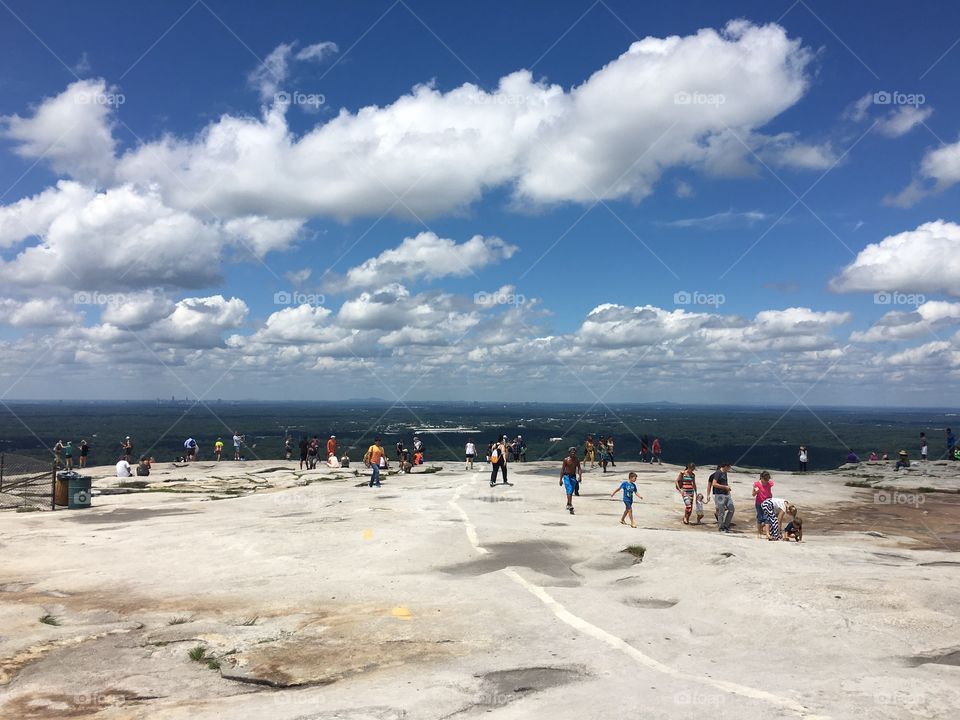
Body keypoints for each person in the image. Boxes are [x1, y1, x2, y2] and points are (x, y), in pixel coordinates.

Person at [707, 463, 734, 532]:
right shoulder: (717, 473)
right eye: (728, 468)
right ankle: (721, 527)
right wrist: (708, 495)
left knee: (731, 509)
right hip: (719, 495)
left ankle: (726, 525)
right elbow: (713, 484)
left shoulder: (725, 473)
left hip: (726, 494)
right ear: (725, 467)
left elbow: (725, 483)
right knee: (721, 511)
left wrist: (728, 490)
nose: (729, 470)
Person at [559, 447, 582, 515]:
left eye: (574, 452)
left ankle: (568, 503)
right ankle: (570, 505)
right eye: (572, 452)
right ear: (569, 452)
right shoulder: (566, 460)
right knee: (569, 489)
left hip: (573, 477)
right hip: (566, 476)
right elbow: (562, 470)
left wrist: (580, 476)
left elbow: (579, 469)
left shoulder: (577, 460)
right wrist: (560, 479)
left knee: (571, 491)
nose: (573, 453)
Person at [752, 471, 775, 538]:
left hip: (767, 503)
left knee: (767, 518)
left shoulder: (769, 483)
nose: (766, 481)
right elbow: (753, 494)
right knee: (760, 517)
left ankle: (767, 533)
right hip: (759, 503)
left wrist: (771, 499)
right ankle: (759, 532)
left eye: (767, 479)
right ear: (761, 478)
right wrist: (756, 492)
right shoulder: (757, 484)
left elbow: (769, 492)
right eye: (765, 479)